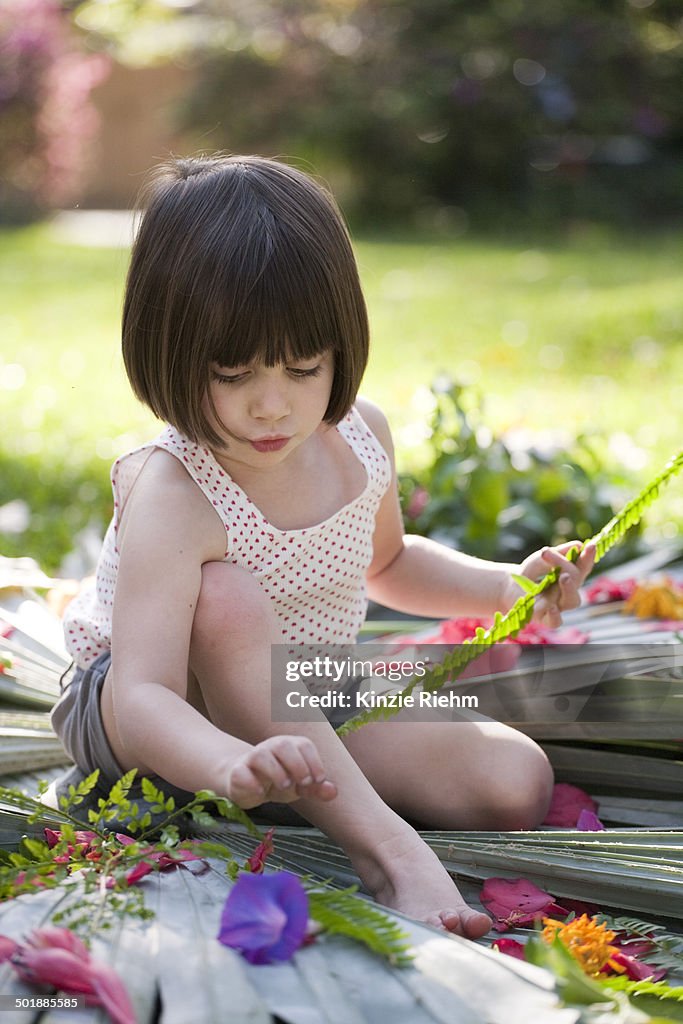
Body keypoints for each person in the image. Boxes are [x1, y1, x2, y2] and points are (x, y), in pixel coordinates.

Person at [51, 154, 595, 939]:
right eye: (232, 373)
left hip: (301, 689)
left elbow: (390, 565)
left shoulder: (358, 437)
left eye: (304, 368)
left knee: (513, 781)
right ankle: (387, 855)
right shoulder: (175, 493)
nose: (272, 406)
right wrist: (221, 765)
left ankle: (295, 777)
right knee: (229, 599)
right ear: (162, 349)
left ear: (340, 347)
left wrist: (506, 587)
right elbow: (143, 699)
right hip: (157, 722)